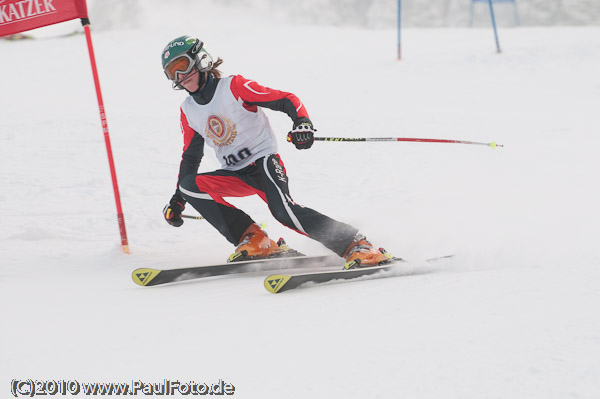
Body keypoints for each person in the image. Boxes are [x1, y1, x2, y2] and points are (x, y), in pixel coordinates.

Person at [161, 35, 391, 269]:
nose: (180, 77)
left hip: (264, 162)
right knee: (189, 185)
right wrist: (179, 199)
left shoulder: (234, 87)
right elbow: (190, 157)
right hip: (235, 173)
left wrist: (302, 123)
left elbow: (286, 99)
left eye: (182, 66)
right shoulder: (188, 111)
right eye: (172, 73)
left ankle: (357, 245)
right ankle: (254, 239)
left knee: (283, 212)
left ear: (201, 59)